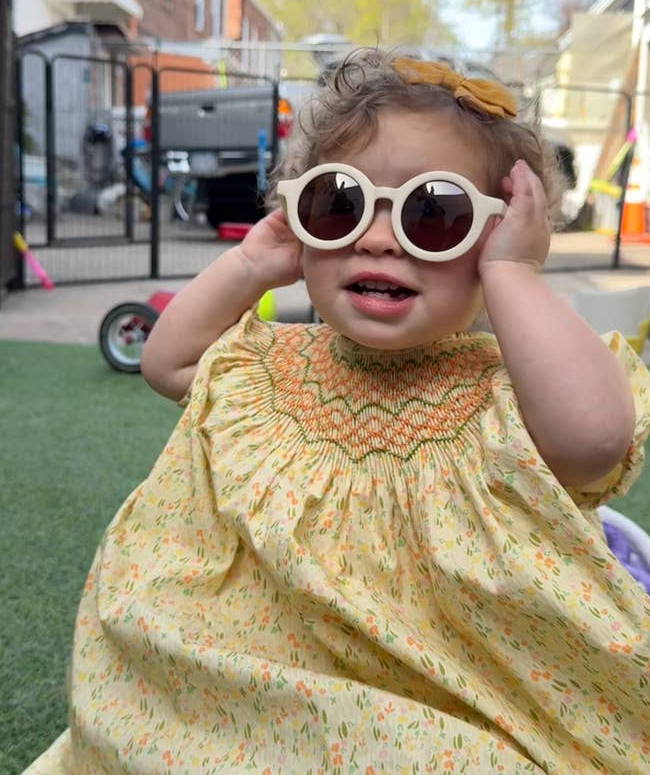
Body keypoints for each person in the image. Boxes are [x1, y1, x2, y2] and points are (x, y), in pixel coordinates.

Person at [26, 49, 650, 774]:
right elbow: (167, 363)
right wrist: (251, 265)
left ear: (499, 237)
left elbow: (594, 441)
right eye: (338, 204)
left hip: (455, 690)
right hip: (260, 671)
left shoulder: (511, 394)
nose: (376, 237)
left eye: (434, 213)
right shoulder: (273, 368)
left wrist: (515, 274)